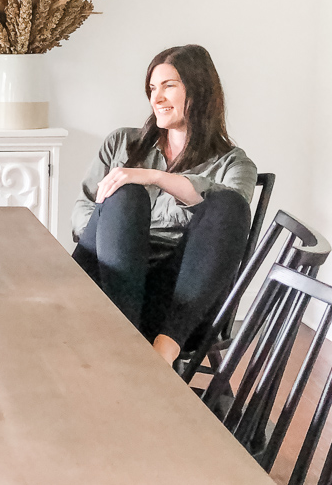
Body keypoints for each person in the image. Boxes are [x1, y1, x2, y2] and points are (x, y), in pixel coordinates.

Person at [71, 44, 257, 366]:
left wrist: (155, 177)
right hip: (106, 281)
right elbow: (82, 214)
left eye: (168, 86)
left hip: (173, 302)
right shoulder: (121, 143)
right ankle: (127, 347)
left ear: (199, 91)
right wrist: (123, 233)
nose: (156, 98)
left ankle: (160, 356)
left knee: (229, 203)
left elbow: (228, 227)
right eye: (152, 88)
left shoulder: (234, 164)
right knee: (125, 195)